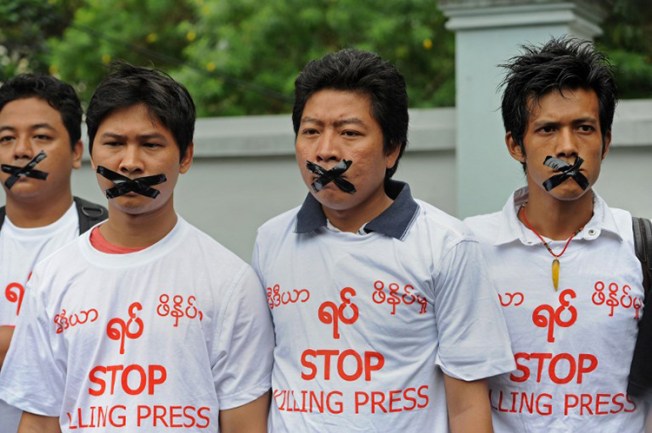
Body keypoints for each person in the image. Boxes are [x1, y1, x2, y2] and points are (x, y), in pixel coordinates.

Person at [252, 48, 514, 433]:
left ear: (392, 149)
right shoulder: (272, 240)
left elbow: (467, 408)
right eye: (311, 131)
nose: (325, 151)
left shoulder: (446, 245)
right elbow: (255, 385)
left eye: (349, 133)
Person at [0, 63, 274, 433]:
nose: (130, 163)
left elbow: (244, 424)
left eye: (150, 144)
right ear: (92, 154)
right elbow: (39, 420)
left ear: (185, 156)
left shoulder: (229, 282)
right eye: (114, 144)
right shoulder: (52, 277)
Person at [464, 37, 646, 432]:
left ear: (606, 141)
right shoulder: (467, 248)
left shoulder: (641, 247)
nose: (567, 147)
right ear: (515, 145)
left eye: (584, 128)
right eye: (547, 129)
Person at [0, 74, 107, 432]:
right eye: (7, 138)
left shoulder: (107, 235)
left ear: (78, 152)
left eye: (41, 136)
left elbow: (110, 351)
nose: (22, 151)